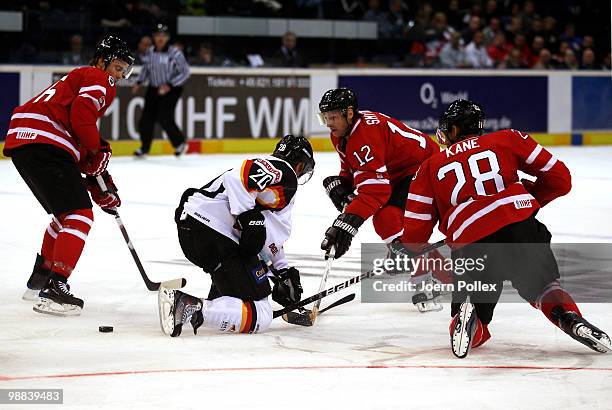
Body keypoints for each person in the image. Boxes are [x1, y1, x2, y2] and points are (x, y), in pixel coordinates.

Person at [399, 99, 611, 357]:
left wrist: (410, 247)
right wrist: (527, 201)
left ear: (453, 131)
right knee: (544, 287)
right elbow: (560, 179)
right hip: (521, 227)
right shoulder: (508, 139)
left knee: (477, 314)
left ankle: (471, 314)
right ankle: (569, 319)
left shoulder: (428, 168)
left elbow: (416, 232)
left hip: (471, 240)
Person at [2, 36, 134, 316]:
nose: (119, 77)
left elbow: (75, 136)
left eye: (124, 71)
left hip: (25, 141)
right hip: (46, 142)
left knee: (65, 214)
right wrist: (99, 151)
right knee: (80, 216)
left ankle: (39, 280)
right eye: (118, 68)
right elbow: (82, 119)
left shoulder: (78, 78)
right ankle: (55, 288)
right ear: (102, 60)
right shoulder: (99, 78)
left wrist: (98, 182)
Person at [159, 135, 315, 336]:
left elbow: (268, 238)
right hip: (215, 233)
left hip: (193, 231)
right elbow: (241, 177)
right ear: (300, 166)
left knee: (242, 286)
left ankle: (219, 303)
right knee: (262, 313)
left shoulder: (268, 186)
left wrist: (282, 273)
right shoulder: (286, 173)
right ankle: (189, 306)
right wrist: (248, 216)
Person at [317, 88, 438, 261]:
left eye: (333, 117)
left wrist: (348, 223)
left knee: (387, 217)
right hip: (398, 172)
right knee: (384, 220)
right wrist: (343, 186)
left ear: (349, 113)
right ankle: (404, 254)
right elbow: (350, 169)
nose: (329, 123)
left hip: (424, 168)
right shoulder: (341, 134)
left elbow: (376, 192)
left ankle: (419, 261)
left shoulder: (365, 135)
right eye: (325, 118)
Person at [132, 23, 190, 157]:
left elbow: (185, 72)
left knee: (164, 117)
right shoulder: (150, 51)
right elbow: (146, 68)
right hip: (153, 88)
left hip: (171, 89)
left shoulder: (175, 53)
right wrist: (139, 82)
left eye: (163, 36)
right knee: (146, 119)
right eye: (158, 35)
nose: (160, 38)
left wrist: (169, 85)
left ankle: (180, 143)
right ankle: (144, 148)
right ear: (154, 37)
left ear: (168, 38)